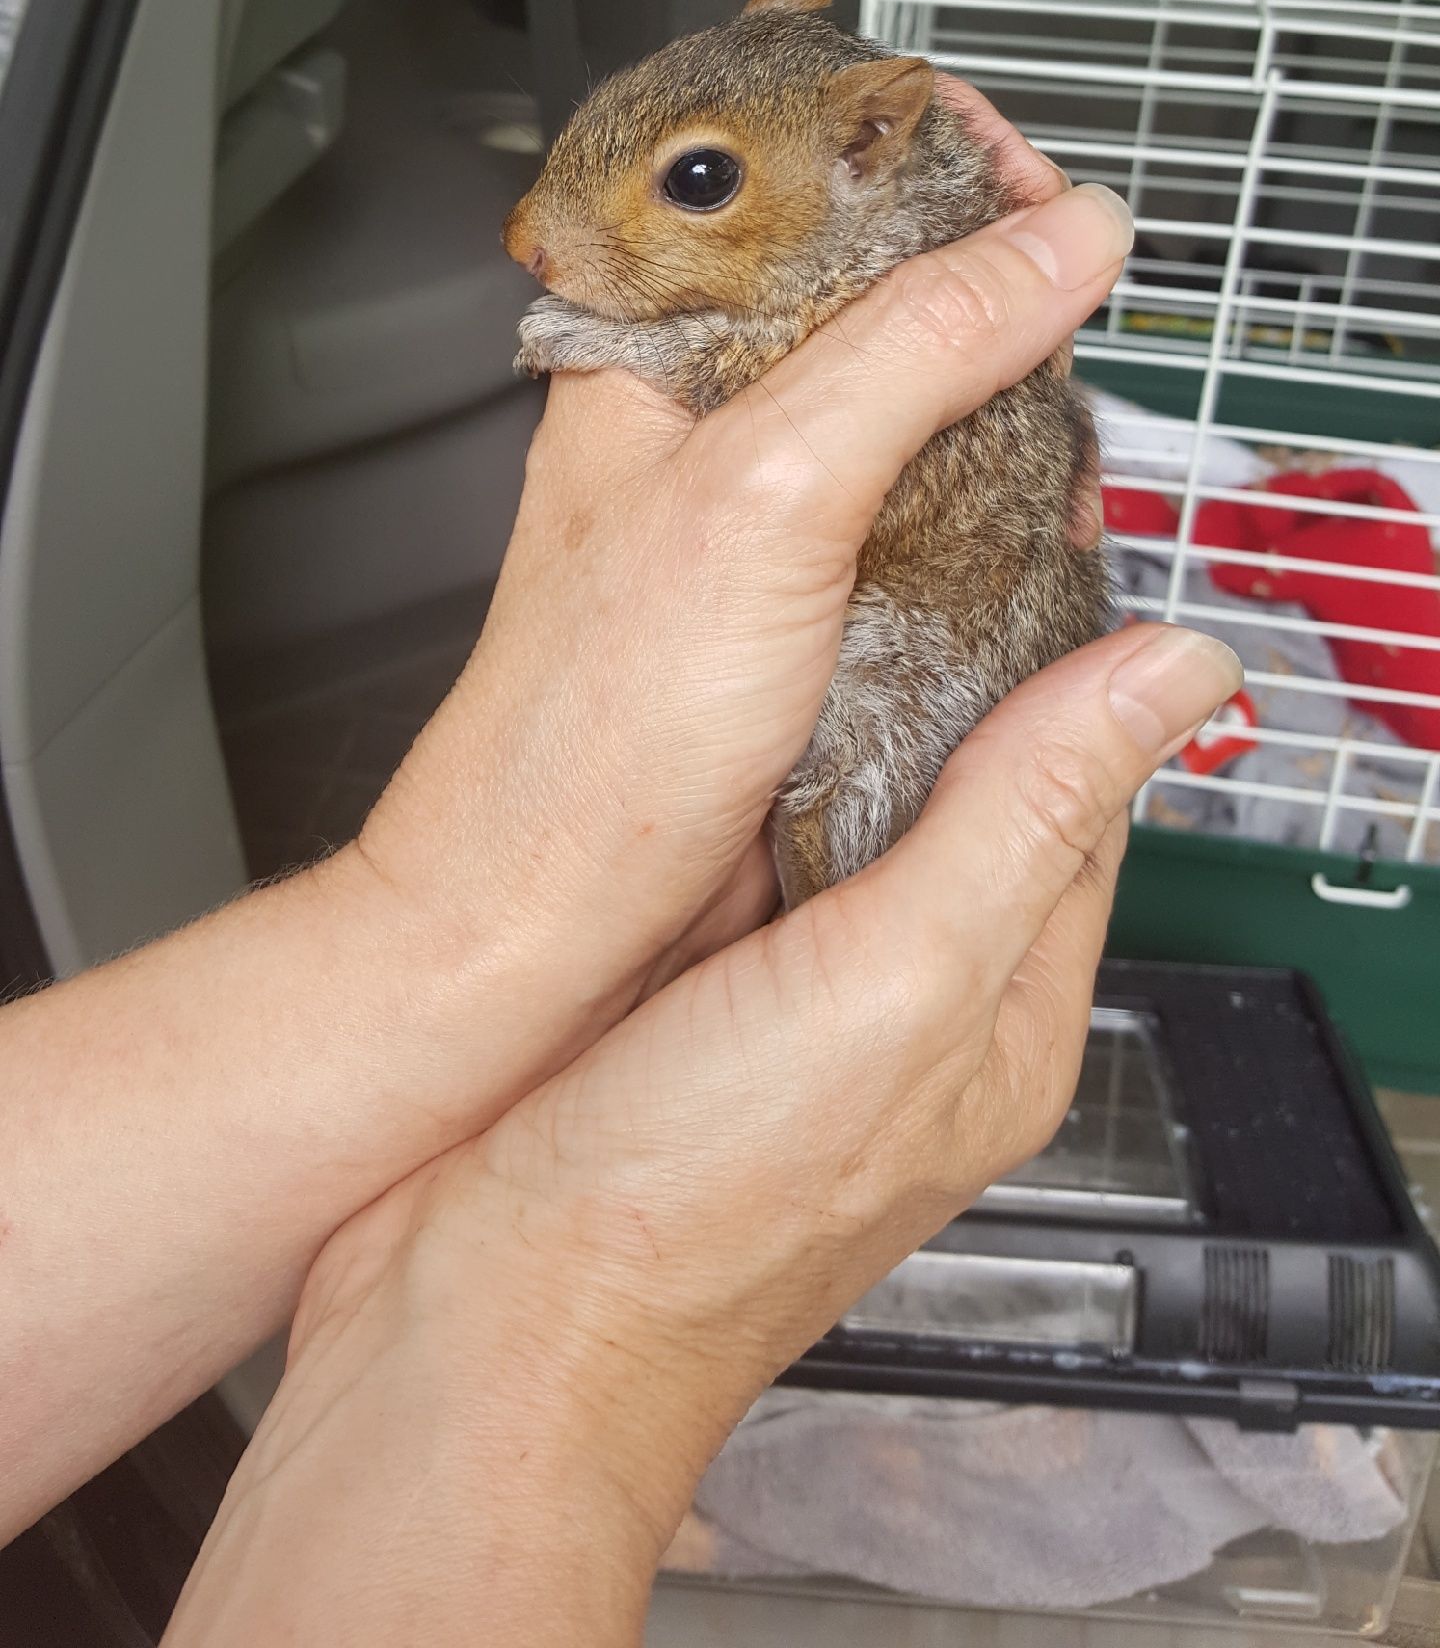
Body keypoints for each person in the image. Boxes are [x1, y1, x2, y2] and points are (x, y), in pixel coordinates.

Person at [0, 85, 1239, 1642]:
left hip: (904, 700)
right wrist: (586, 1310)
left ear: (862, 156)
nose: (531, 244)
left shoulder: (867, 291)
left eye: (699, 184)